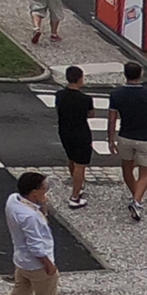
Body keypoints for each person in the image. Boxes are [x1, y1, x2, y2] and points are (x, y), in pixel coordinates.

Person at [107, 62, 147, 222]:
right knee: (145, 174)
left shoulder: (116, 94)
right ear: (140, 74)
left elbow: (112, 120)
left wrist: (111, 139)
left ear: (124, 74)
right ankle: (137, 201)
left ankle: (136, 198)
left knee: (127, 169)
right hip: (146, 137)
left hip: (125, 136)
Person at [55, 66, 95, 209]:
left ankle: (77, 185)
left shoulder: (59, 95)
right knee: (80, 165)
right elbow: (91, 114)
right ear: (79, 78)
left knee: (71, 159)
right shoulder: (85, 99)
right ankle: (75, 196)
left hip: (65, 131)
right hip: (81, 133)